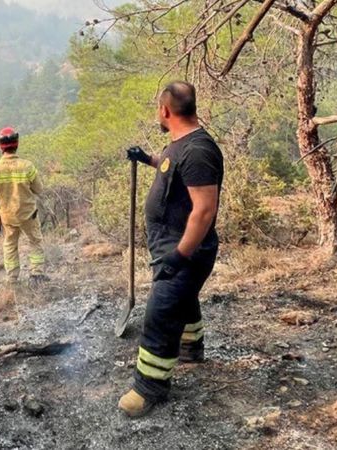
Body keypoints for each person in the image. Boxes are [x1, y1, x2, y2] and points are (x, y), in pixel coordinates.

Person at [119, 81, 224, 417]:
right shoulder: (180, 144)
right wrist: (146, 158)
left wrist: (179, 256)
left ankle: (149, 387)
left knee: (161, 311)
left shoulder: (198, 151)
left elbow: (204, 210)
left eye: (157, 109)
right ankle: (192, 349)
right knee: (183, 297)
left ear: (165, 111)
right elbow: (169, 167)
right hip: (174, 245)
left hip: (186, 250)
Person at [0, 127, 47, 284]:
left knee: (10, 245)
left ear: (0, 146)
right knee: (35, 241)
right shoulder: (27, 166)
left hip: (7, 216)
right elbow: (39, 189)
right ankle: (36, 274)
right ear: (16, 144)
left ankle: (12, 278)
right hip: (28, 214)